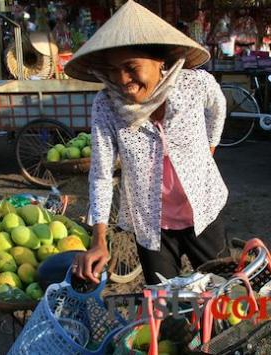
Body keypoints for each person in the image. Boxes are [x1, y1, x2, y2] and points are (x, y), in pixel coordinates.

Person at [65, 0, 229, 285]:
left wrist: (210, 147)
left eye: (131, 67)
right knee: (165, 308)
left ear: (160, 61)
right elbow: (102, 174)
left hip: (202, 211)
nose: (122, 79)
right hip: (151, 224)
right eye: (113, 70)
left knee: (222, 291)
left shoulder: (195, 84)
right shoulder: (106, 105)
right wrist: (98, 239)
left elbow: (218, 106)